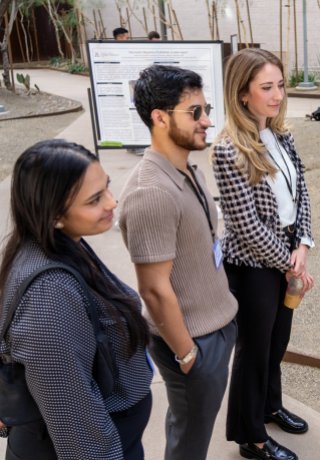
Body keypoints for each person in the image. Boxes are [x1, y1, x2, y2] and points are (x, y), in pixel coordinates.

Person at [0, 139, 152, 459]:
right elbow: (75, 422)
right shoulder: (49, 297)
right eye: (95, 199)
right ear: (54, 214)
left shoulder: (63, 242)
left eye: (107, 187)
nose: (112, 202)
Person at [119, 65, 239, 460]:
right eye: (195, 112)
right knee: (189, 441)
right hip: (192, 342)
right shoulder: (150, 191)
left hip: (215, 328)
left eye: (205, 109)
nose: (207, 121)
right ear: (160, 117)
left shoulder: (186, 167)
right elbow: (153, 289)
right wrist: (188, 355)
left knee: (197, 432)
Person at [211, 48, 315, 460]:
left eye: (280, 85)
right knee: (254, 352)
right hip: (252, 266)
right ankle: (250, 437)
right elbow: (246, 226)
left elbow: (301, 191)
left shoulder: (281, 134)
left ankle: (270, 406)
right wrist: (289, 261)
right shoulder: (227, 150)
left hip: (287, 252)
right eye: (266, 88)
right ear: (242, 94)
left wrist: (303, 244)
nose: (277, 95)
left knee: (277, 342)